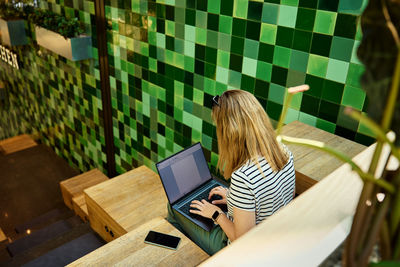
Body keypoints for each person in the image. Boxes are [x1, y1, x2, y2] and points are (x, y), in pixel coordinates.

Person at [167, 89, 296, 255]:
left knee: (173, 208)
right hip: (272, 239)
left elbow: (241, 240)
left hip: (242, 254)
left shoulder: (243, 177)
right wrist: (234, 200)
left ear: (229, 132)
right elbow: (283, 199)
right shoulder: (284, 152)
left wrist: (216, 214)